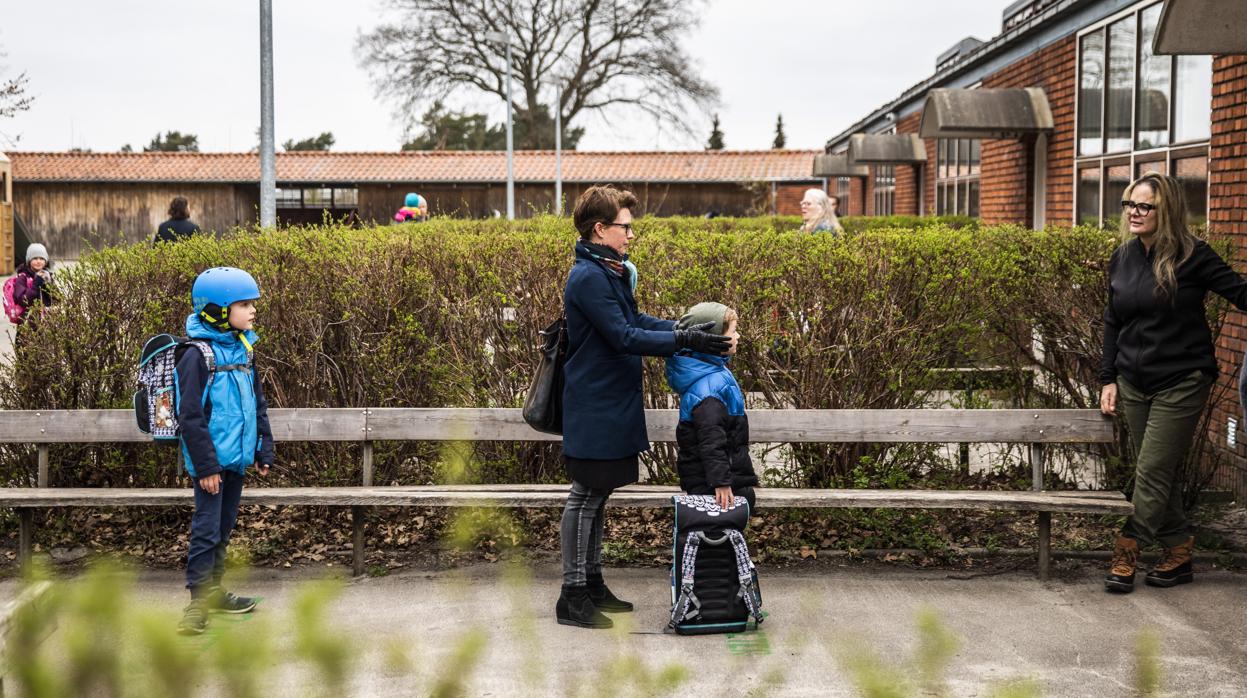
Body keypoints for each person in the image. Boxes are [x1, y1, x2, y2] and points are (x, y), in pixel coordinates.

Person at [558, 185, 731, 630]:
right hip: (594, 403)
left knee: (598, 495)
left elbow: (636, 323)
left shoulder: (608, 271)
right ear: (600, 229)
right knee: (585, 496)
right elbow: (624, 337)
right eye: (625, 226)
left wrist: (681, 327)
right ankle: (572, 594)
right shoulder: (588, 277)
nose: (632, 234)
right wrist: (685, 339)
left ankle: (591, 582)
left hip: (610, 401)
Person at [1099, 172, 1247, 593]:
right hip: (1133, 381)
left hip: (1182, 380)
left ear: (1166, 211)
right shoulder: (1124, 256)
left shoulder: (1194, 256)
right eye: (1130, 204)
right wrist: (1108, 377)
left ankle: (1127, 550)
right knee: (1157, 472)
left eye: (1144, 206)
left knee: (1150, 471)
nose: (1134, 213)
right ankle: (1179, 551)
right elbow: (1113, 321)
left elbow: (1240, 293)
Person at [177, 267, 275, 635]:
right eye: (244, 304)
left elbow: (257, 404)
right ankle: (197, 604)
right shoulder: (196, 355)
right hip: (211, 465)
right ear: (218, 310)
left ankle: (215, 591)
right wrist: (205, 467)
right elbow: (190, 416)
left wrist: (264, 447)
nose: (253, 311)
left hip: (237, 458)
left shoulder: (244, 347)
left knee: (224, 526)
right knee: (206, 529)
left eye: (252, 304)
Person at [665, 302, 758, 512]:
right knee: (721, 527)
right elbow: (711, 439)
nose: (738, 336)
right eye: (733, 331)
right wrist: (721, 482)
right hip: (712, 484)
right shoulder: (708, 388)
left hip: (716, 478)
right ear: (715, 340)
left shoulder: (712, 372)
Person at [11, 243, 55, 327]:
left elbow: (56, 299)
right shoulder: (22, 278)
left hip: (46, 322)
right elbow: (23, 301)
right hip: (27, 324)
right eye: (35, 258)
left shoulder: (47, 276)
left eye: (42, 258)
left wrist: (49, 286)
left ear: (46, 261)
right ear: (29, 260)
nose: (38, 261)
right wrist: (36, 285)